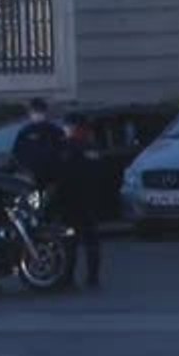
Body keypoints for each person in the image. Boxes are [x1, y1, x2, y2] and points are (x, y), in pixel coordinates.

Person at [57, 112, 101, 288]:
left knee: (71, 240)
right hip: (89, 198)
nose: (65, 129)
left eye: (67, 126)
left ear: (73, 127)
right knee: (90, 239)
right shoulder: (91, 146)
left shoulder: (67, 146)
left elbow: (62, 173)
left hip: (72, 199)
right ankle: (92, 277)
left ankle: (68, 277)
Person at [12, 98, 65, 190]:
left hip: (53, 176)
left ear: (45, 113)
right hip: (31, 176)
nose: (37, 115)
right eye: (34, 112)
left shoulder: (55, 131)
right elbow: (17, 152)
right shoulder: (25, 131)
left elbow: (63, 151)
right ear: (30, 113)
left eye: (40, 112)